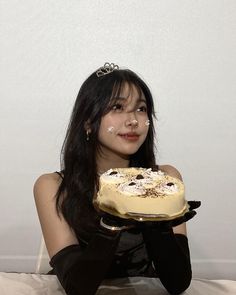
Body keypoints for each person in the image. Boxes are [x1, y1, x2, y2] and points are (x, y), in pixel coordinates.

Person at [34, 62, 200, 295]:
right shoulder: (52, 186)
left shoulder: (166, 179)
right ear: (88, 122)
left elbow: (178, 283)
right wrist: (110, 224)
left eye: (141, 109)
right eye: (117, 107)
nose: (133, 120)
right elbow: (77, 286)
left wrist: (160, 227)